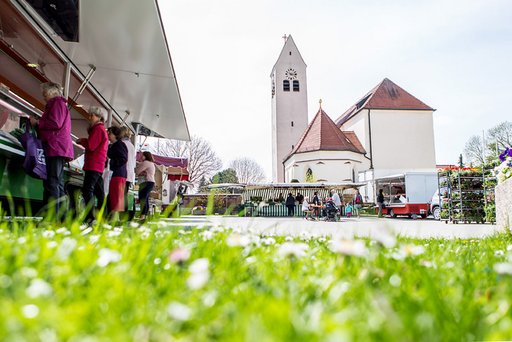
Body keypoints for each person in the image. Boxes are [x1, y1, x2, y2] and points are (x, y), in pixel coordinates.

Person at [31, 82, 74, 219]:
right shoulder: (60, 104)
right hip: (58, 147)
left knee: (53, 182)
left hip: (55, 147)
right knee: (58, 183)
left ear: (51, 92)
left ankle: (53, 217)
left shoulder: (57, 103)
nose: (43, 96)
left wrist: (39, 123)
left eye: (44, 93)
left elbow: (56, 123)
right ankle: (61, 217)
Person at [76, 106, 108, 222]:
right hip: (98, 165)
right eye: (89, 115)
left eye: (92, 115)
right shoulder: (101, 129)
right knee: (99, 193)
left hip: (93, 164)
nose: (90, 117)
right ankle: (102, 216)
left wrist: (82, 140)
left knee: (87, 190)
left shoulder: (98, 129)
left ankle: (90, 217)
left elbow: (91, 146)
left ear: (99, 117)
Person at [107, 126, 128, 215]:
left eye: (110, 133)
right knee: (115, 196)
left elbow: (123, 158)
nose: (108, 134)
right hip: (118, 173)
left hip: (118, 173)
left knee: (116, 196)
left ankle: (114, 218)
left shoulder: (119, 145)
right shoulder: (115, 145)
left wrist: (111, 162)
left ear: (116, 135)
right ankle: (114, 217)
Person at [119, 126, 136, 219]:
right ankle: (124, 216)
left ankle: (122, 215)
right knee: (124, 195)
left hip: (123, 172)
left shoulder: (122, 144)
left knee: (120, 195)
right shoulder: (131, 145)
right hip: (129, 174)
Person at [136, 151, 156, 221]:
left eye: (143, 155)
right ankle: (144, 216)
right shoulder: (151, 164)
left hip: (146, 182)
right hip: (151, 182)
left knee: (143, 199)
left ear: (146, 156)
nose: (141, 157)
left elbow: (137, 171)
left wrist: (140, 170)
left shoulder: (146, 163)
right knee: (145, 198)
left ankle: (142, 216)